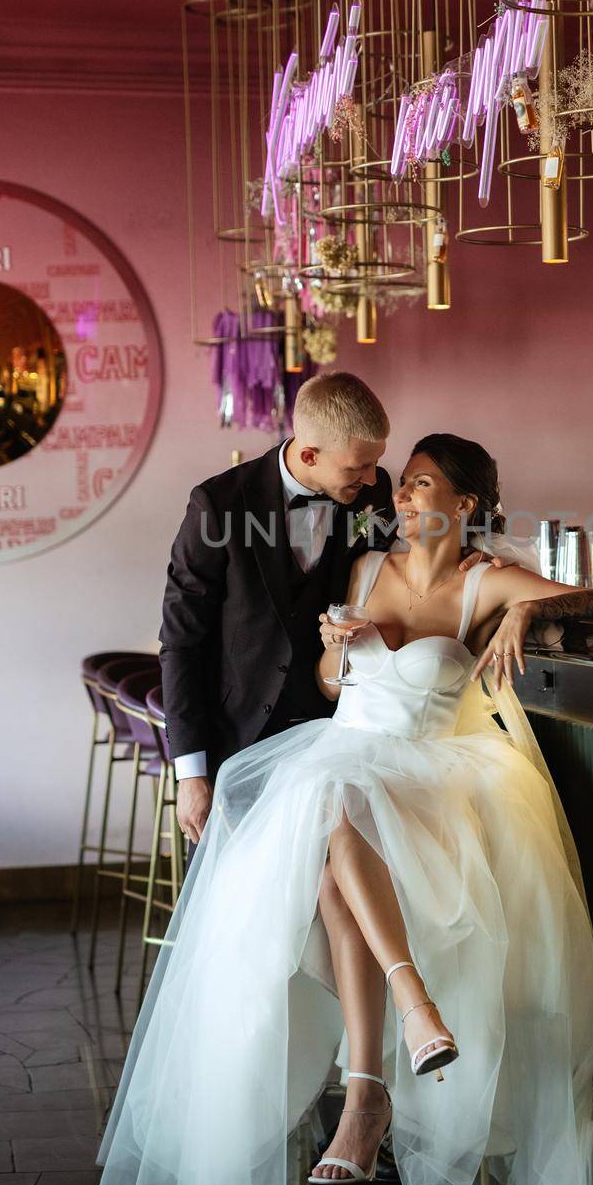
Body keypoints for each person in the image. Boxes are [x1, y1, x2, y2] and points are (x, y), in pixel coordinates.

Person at [96, 432, 593, 1185]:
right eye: (405, 486)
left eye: (425, 488)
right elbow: (334, 685)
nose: (407, 500)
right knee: (332, 828)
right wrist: (338, 648)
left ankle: (373, 1079)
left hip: (430, 772)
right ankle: (403, 1027)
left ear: (467, 505)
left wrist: (530, 611)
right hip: (345, 757)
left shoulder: (485, 579)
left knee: (333, 820)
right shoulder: (364, 570)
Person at [159, 372, 487, 871]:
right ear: (309, 455)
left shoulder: (372, 498)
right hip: (238, 741)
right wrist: (191, 774)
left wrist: (481, 556)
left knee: (330, 908)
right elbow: (182, 643)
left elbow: (419, 559)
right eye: (360, 466)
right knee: (241, 908)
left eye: (379, 461)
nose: (377, 478)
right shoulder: (219, 505)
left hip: (336, 747)